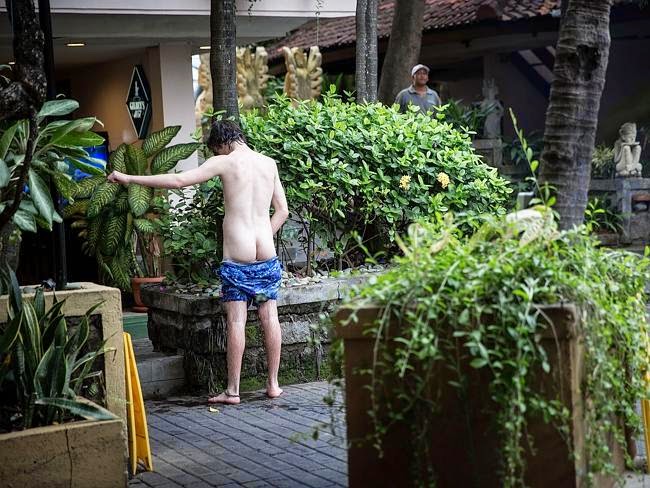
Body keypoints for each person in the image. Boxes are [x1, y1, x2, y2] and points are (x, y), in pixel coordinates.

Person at [108, 120, 289, 405]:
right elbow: (283, 211)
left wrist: (130, 179)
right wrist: (265, 231)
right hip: (266, 254)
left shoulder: (225, 162)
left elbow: (179, 181)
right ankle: (274, 385)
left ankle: (232, 391)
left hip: (238, 257)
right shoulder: (269, 163)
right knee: (270, 317)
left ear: (221, 144)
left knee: (237, 320)